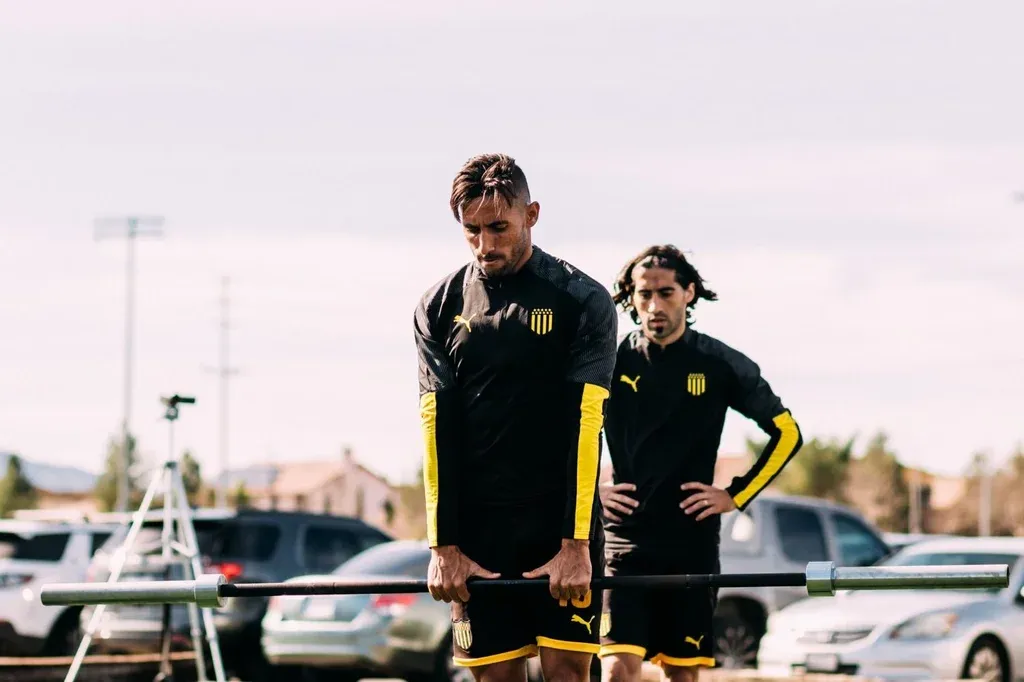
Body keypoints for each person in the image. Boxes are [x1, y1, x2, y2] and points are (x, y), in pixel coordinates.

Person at [413, 153, 618, 682]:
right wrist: (443, 546)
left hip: (558, 526)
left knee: (568, 674)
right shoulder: (437, 306)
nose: (485, 244)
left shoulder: (583, 299)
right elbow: (437, 431)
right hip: (478, 534)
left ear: (531, 214)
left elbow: (586, 426)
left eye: (499, 228)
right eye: (472, 230)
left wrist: (575, 545)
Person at [596, 244, 803, 682]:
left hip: (691, 544)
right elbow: (560, 431)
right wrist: (592, 494)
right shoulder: (608, 362)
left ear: (688, 293)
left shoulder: (719, 362)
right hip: (625, 543)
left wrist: (735, 495)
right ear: (631, 297)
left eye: (666, 293)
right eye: (644, 294)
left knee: (682, 676)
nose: (655, 305)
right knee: (616, 670)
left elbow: (788, 433)